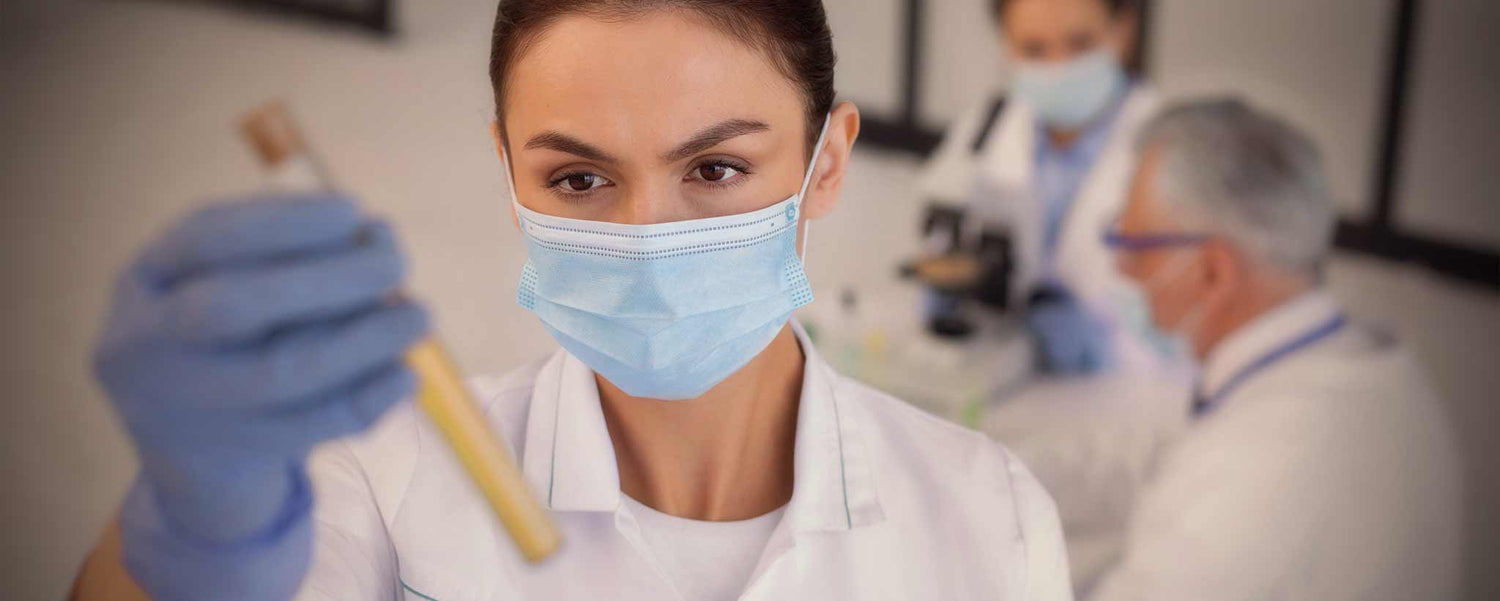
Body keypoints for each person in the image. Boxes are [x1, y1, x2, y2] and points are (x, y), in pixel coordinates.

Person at [69, 1, 1073, 600]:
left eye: (717, 167)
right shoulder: (381, 480)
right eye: (580, 179)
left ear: (827, 162)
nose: (643, 236)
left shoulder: (992, 518)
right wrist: (194, 513)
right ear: (508, 166)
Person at [1091, 99, 1461, 600]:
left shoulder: (1268, 457)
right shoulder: (1340, 365)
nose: (1121, 271)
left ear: (1212, 272)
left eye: (1135, 249)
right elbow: (1145, 459)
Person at [917, 0, 1165, 374]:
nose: (1057, 66)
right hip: (997, 386)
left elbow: (1189, 333)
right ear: (1005, 44)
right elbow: (941, 219)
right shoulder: (988, 126)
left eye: (1080, 43)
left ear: (1124, 29)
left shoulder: (1166, 145)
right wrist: (950, 285)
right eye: (1033, 49)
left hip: (1117, 405)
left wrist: (1105, 349)